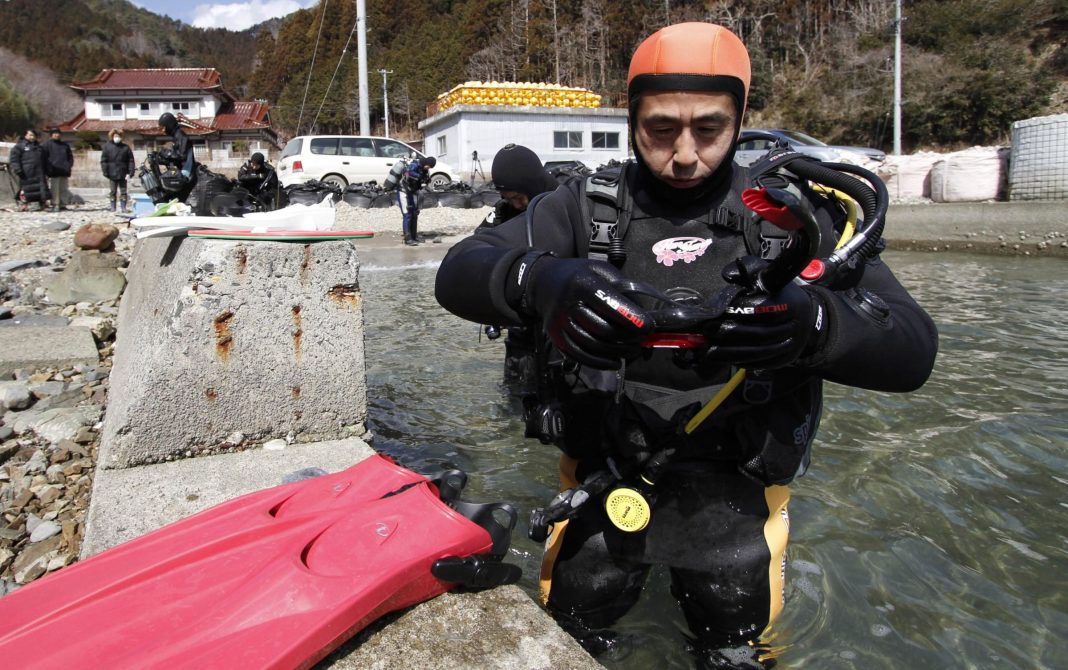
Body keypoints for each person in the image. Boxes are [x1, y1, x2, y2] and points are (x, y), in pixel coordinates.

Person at [435, 21, 938, 668]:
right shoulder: (583, 209)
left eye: (709, 128)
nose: (683, 154)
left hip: (742, 496)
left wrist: (815, 324)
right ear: (632, 118)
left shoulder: (789, 219)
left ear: (741, 117)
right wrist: (543, 280)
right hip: (603, 480)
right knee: (573, 636)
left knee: (734, 646)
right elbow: (458, 271)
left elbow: (914, 349)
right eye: (660, 129)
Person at [476, 143, 561, 394]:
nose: (516, 204)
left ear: (533, 184)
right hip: (522, 327)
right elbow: (478, 247)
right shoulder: (505, 212)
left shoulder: (567, 202)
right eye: (508, 198)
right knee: (516, 395)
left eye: (518, 196)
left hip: (559, 325)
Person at [477, 143, 560, 231]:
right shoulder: (504, 210)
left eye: (518, 198)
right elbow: (478, 238)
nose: (516, 205)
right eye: (508, 199)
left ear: (534, 189)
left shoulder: (564, 205)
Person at [158, 112, 198, 202]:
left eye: (163, 127)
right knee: (163, 179)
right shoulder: (176, 135)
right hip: (180, 169)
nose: (163, 130)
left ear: (169, 125)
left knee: (167, 182)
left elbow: (181, 155)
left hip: (185, 172)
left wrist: (167, 154)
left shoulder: (180, 135)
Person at [8, 129, 51, 212]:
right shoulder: (19, 146)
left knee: (40, 189)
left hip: (39, 172)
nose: (32, 137)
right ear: (25, 135)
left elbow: (45, 159)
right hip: (27, 172)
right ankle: (28, 204)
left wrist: (48, 170)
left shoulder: (39, 147)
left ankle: (40, 204)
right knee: (29, 189)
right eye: (30, 135)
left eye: (34, 135)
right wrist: (18, 169)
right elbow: (14, 160)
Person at [397, 155, 435, 246]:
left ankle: (414, 236)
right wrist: (419, 176)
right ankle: (408, 239)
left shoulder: (424, 170)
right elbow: (409, 173)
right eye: (429, 166)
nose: (428, 168)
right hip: (403, 192)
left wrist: (426, 180)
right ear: (426, 163)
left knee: (414, 214)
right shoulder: (414, 165)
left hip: (412, 192)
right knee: (407, 215)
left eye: (430, 167)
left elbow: (423, 181)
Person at [100, 128, 135, 212]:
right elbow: (103, 160)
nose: (117, 137)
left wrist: (130, 172)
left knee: (123, 191)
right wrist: (105, 172)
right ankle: (113, 207)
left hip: (123, 173)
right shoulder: (107, 147)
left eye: (118, 136)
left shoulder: (126, 147)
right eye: (115, 136)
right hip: (111, 173)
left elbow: (131, 160)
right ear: (112, 136)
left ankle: (123, 207)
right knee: (113, 191)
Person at [43, 128, 75, 212]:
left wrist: (69, 165)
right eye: (55, 133)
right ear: (51, 135)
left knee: (64, 188)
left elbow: (70, 156)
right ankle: (55, 204)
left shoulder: (65, 145)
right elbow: (43, 158)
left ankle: (63, 204)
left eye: (58, 133)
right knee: (55, 189)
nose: (57, 135)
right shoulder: (46, 145)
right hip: (53, 170)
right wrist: (47, 168)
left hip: (64, 170)